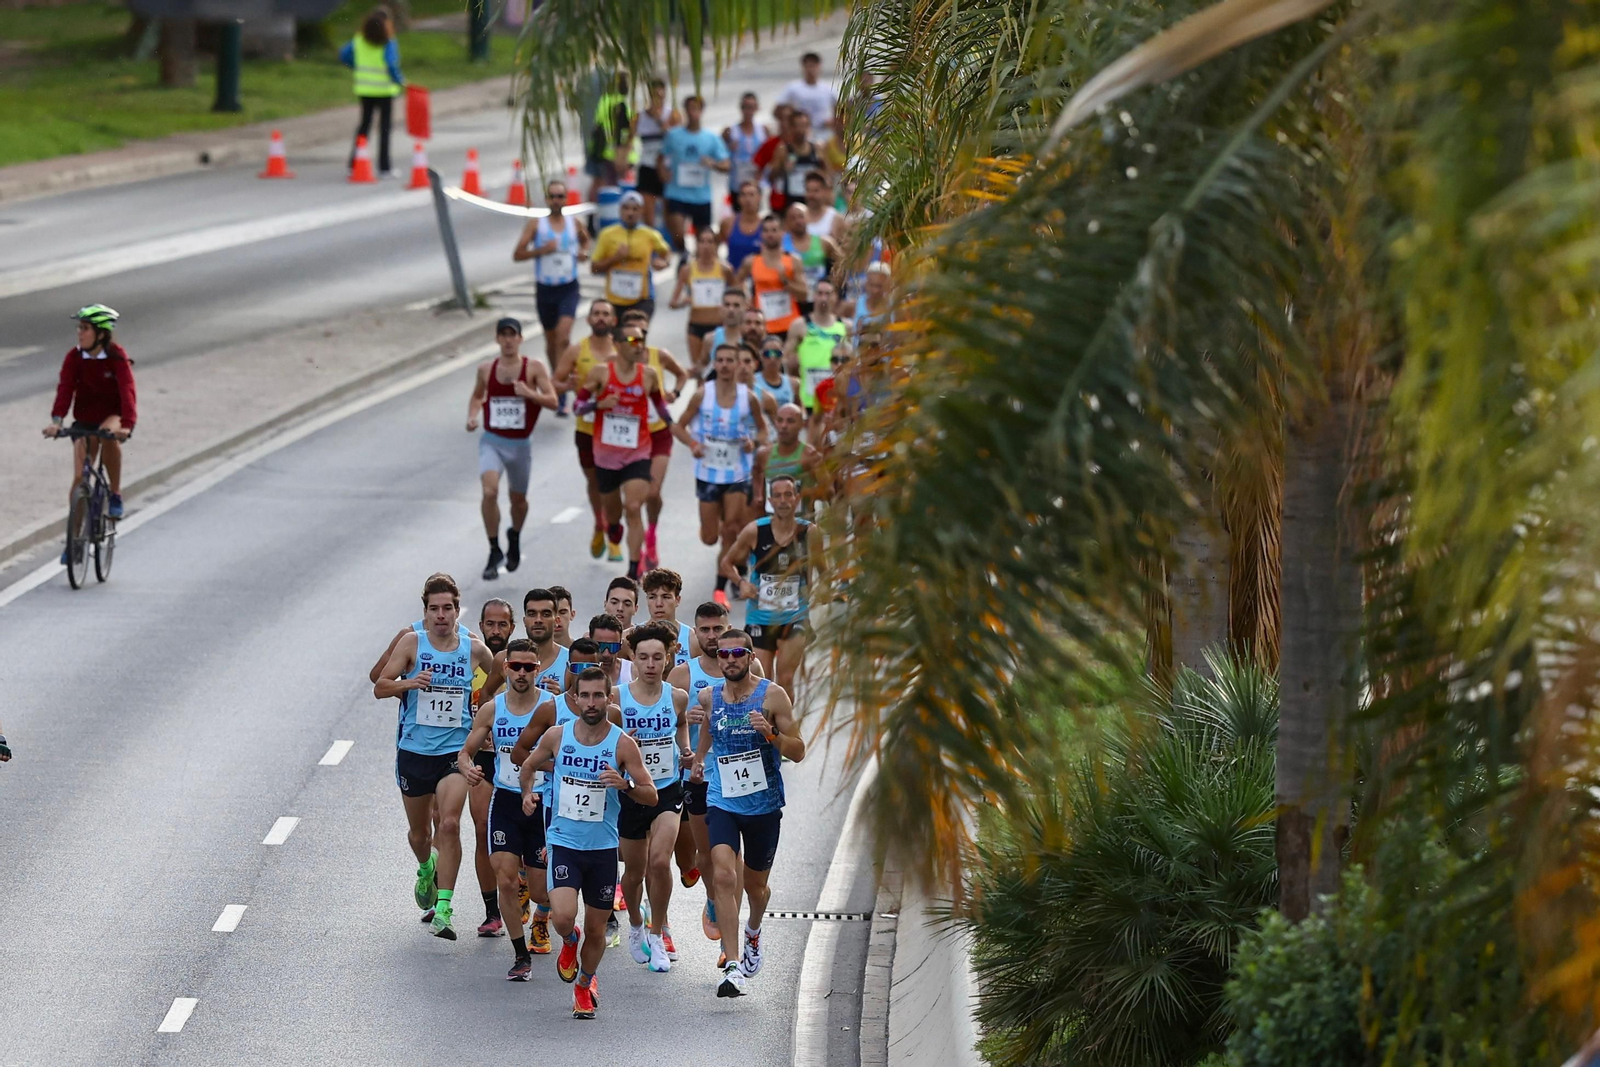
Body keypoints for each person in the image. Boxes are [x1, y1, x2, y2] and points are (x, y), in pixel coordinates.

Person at [517, 667, 656, 1018]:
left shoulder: (623, 743)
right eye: (585, 695)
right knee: (562, 916)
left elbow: (651, 795)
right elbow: (527, 764)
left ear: (609, 699)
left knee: (598, 929)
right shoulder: (557, 735)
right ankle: (567, 939)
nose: (592, 703)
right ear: (574, 698)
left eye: (599, 696)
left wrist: (625, 786)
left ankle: (584, 984)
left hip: (603, 849)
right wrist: (527, 794)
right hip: (564, 842)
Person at [373, 574, 497, 940]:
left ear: (458, 610)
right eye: (433, 609)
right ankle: (426, 866)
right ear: (425, 612)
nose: (441, 615)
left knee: (449, 824)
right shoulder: (413, 642)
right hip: (414, 751)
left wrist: (489, 723)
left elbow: (500, 683)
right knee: (419, 833)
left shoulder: (473, 649)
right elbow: (380, 685)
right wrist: (409, 683)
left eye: (447, 608)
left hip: (454, 752)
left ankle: (444, 906)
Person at [689, 628, 804, 997]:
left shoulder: (771, 694)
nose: (730, 660)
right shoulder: (708, 697)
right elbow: (709, 727)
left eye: (738, 653)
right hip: (722, 799)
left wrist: (771, 734)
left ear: (751, 657)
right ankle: (734, 964)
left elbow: (799, 750)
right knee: (723, 874)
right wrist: (701, 758)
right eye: (723, 654)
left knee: (755, 887)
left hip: (764, 805)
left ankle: (753, 929)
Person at [457, 638, 555, 978]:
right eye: (516, 666)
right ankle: (520, 955)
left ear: (538, 669)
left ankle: (542, 912)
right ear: (505, 668)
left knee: (544, 890)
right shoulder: (493, 708)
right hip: (506, 800)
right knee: (507, 881)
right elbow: (466, 751)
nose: (523, 673)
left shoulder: (552, 707)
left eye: (530, 667)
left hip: (543, 803)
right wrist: (468, 768)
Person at [616, 622, 691, 972]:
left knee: (659, 862)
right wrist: (622, 740)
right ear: (632, 658)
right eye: (643, 657)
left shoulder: (677, 696)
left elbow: (680, 725)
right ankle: (635, 923)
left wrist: (686, 749)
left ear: (667, 659)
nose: (650, 664)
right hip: (631, 792)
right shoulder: (618, 697)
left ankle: (658, 933)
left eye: (657, 658)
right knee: (633, 872)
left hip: (666, 789)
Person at [673, 343, 768, 607]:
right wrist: (693, 444)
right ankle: (727, 568)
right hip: (708, 473)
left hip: (738, 473)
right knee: (710, 537)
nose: (725, 365)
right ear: (715, 364)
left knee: (732, 529)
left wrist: (753, 443)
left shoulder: (748, 397)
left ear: (739, 365)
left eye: (730, 360)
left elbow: (763, 432)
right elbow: (678, 427)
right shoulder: (703, 394)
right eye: (721, 360)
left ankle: (721, 587)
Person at [467, 318, 558, 581]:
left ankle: (514, 536)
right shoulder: (486, 369)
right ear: (497, 339)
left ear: (520, 339)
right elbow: (477, 395)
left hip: (520, 446)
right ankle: (495, 549)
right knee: (489, 491)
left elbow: (553, 400)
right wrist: (472, 416)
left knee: (518, 501)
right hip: (493, 441)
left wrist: (530, 393)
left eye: (513, 335)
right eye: (503, 335)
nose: (508, 340)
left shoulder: (534, 368)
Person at [577, 319, 668, 574]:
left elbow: (661, 409)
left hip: (638, 452)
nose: (637, 344)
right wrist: (598, 405)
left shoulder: (648, 375)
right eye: (630, 340)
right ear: (616, 345)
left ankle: (632, 569)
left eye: (640, 339)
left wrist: (678, 428)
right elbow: (577, 407)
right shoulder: (600, 373)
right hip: (605, 457)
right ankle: (613, 527)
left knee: (633, 507)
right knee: (614, 512)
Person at [44, 305, 135, 542]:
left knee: (108, 434)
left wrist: (127, 425)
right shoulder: (74, 357)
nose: (79, 333)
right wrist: (56, 421)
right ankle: (73, 539)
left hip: (112, 416)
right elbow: (65, 390)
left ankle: (114, 493)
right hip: (84, 420)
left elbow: (127, 391)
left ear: (101, 334)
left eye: (85, 328)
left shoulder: (116, 356)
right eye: (79, 327)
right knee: (79, 478)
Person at [722, 476, 813, 692]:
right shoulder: (755, 531)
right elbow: (727, 562)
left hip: (795, 616)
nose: (783, 501)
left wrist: (817, 590)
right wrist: (741, 582)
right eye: (778, 496)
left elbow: (822, 569)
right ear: (770, 501)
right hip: (760, 617)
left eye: (788, 495)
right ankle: (768, 724)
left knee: (786, 679)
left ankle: (783, 726)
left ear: (797, 498)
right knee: (764, 683)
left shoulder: (809, 533)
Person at [618, 306, 689, 571]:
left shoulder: (659, 356)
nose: (640, 337)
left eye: (643, 331)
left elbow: (683, 375)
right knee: (632, 503)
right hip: (629, 438)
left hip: (658, 432)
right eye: (634, 332)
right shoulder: (617, 363)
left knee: (654, 492)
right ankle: (636, 552)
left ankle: (652, 535)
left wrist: (675, 393)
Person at [513, 177, 592, 415]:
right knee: (551, 342)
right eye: (553, 196)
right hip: (545, 289)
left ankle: (562, 392)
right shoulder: (537, 224)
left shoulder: (573, 223)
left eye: (561, 196)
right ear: (547, 199)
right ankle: (557, 380)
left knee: (563, 337)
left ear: (566, 199)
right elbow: (517, 254)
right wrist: (540, 250)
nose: (557, 200)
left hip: (568, 286)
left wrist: (583, 253)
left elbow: (585, 241)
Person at [554, 300, 621, 557]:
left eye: (606, 313)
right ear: (589, 320)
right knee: (594, 480)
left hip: (617, 430)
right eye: (596, 314)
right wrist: (570, 387)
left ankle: (615, 530)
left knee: (615, 483)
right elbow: (554, 382)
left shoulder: (623, 349)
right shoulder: (576, 350)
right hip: (588, 428)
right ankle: (599, 522)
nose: (601, 318)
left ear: (614, 320)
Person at [658, 95, 731, 254]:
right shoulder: (674, 135)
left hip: (701, 195)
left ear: (702, 111)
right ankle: (683, 253)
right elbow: (661, 157)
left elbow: (726, 164)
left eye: (697, 109)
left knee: (702, 238)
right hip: (677, 192)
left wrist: (713, 163)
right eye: (690, 109)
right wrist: (663, 173)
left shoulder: (711, 138)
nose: (693, 113)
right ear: (685, 111)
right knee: (677, 232)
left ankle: (698, 265)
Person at [339, 7, 404, 178]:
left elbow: (344, 55)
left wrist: (355, 66)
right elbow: (391, 64)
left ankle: (354, 162)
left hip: (365, 90)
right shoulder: (388, 42)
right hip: (384, 91)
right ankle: (384, 167)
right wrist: (400, 80)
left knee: (364, 125)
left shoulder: (359, 40)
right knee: (385, 129)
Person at [591, 192, 672, 320]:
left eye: (635, 209)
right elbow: (594, 268)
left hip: (642, 300)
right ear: (620, 210)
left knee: (634, 337)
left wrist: (664, 262)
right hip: (614, 301)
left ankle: (634, 341)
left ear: (642, 211)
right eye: (626, 208)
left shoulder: (650, 234)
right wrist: (615, 258)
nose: (630, 213)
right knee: (617, 339)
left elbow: (666, 252)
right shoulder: (607, 235)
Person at [669, 228, 736, 373]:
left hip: (718, 326)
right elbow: (672, 303)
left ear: (716, 245)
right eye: (702, 241)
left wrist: (729, 306)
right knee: (699, 371)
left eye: (710, 241)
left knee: (720, 369)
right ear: (696, 244)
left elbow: (737, 293)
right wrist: (684, 301)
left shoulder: (725, 269)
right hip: (695, 327)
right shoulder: (687, 270)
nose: (706, 246)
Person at [736, 215, 806, 339]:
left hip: (788, 326)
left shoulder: (793, 260)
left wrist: (786, 281)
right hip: (760, 326)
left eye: (774, 230)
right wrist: (746, 302)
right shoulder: (751, 261)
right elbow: (736, 283)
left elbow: (804, 295)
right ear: (761, 234)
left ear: (782, 233)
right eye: (766, 230)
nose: (770, 234)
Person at [786, 280, 849, 411]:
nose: (823, 298)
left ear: (835, 297)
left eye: (828, 294)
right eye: (819, 293)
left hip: (835, 399)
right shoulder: (799, 325)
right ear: (813, 295)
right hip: (808, 399)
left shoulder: (846, 327)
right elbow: (786, 360)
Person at [752, 403, 823, 515]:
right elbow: (756, 473)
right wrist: (758, 495)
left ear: (802, 424)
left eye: (790, 421)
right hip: (772, 523)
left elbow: (829, 492)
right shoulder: (764, 454)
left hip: (801, 524)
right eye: (780, 421)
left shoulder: (811, 456)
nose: (783, 426)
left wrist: (808, 493)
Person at [632, 79, 679, 227]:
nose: (658, 99)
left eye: (661, 96)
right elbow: (629, 139)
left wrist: (660, 121)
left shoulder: (672, 114)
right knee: (647, 211)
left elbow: (677, 137)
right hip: (647, 165)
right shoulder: (639, 117)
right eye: (654, 95)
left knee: (668, 209)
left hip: (666, 166)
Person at [765, 109, 829, 214]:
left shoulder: (817, 149)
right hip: (790, 201)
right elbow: (771, 177)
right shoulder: (783, 149)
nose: (801, 130)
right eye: (797, 126)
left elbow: (828, 176)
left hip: (812, 200)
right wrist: (783, 169)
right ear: (791, 128)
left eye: (804, 125)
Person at [781, 201, 839, 315]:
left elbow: (842, 262)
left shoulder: (824, 242)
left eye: (801, 217)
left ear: (808, 218)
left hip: (820, 299)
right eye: (793, 218)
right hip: (792, 300)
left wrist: (834, 286)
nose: (798, 221)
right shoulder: (781, 244)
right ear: (786, 222)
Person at [778, 51, 837, 140]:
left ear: (819, 67)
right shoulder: (793, 88)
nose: (811, 70)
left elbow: (841, 108)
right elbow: (778, 110)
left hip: (824, 133)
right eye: (808, 66)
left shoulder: (829, 89)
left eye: (814, 66)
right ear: (803, 67)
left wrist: (833, 122)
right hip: (802, 134)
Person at [749, 102, 794, 214]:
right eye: (781, 119)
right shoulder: (770, 144)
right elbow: (756, 170)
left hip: (798, 198)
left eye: (788, 119)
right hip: (777, 200)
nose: (785, 123)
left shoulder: (803, 146)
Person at [719, 180, 766, 275]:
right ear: (739, 199)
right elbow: (714, 247)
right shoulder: (728, 223)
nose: (748, 199)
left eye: (751, 195)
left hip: (758, 280)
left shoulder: (766, 225)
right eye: (744, 195)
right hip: (733, 280)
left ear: (759, 197)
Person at [845, 260, 894, 345]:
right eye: (872, 285)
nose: (875, 290)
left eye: (879, 286)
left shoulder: (894, 308)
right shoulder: (855, 305)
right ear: (866, 284)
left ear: (887, 286)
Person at [752, 335, 800, 414]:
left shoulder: (793, 384)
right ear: (761, 356)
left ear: (783, 356)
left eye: (777, 353)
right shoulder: (753, 382)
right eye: (768, 354)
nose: (772, 359)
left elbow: (800, 410)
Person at [705, 288, 749, 367]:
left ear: (745, 309)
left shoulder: (751, 339)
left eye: (736, 305)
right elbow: (702, 368)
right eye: (727, 305)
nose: (731, 309)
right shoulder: (710, 339)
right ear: (721, 308)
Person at [802, 170, 844, 246]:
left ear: (825, 192)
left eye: (815, 191)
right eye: (808, 190)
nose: (811, 195)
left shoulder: (835, 218)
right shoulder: (798, 216)